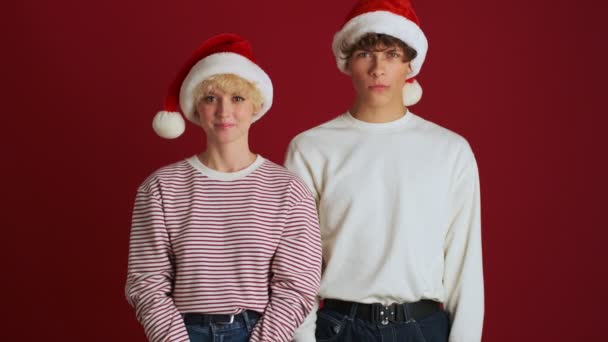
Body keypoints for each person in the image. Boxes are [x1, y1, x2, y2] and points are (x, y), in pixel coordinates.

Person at [285, 1, 484, 341]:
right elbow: (296, 267)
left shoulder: (449, 151)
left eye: (391, 54)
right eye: (366, 54)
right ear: (348, 63)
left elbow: (465, 265)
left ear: (409, 64)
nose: (378, 68)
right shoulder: (311, 149)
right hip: (339, 327)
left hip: (422, 327)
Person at [126, 33, 322, 342]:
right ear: (195, 108)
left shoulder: (288, 190)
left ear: (255, 106)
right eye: (210, 98)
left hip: (258, 331)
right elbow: (146, 283)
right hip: (184, 331)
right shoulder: (161, 187)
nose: (223, 111)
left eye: (237, 98)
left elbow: (297, 284)